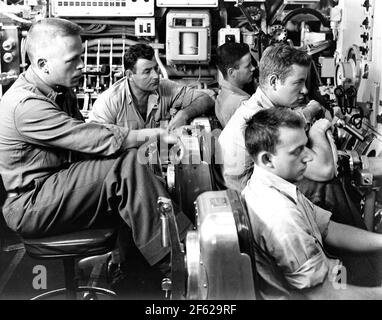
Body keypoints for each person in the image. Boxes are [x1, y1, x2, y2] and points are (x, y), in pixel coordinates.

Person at [0, 18, 192, 278]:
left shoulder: (59, 91)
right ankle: (183, 263)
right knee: (128, 165)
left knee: (129, 162)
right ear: (43, 65)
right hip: (31, 204)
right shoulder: (26, 104)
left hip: (55, 188)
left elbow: (91, 148)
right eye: (73, 60)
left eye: (81, 57)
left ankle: (139, 265)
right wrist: (152, 135)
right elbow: (89, 138)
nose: (82, 66)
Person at [243, 107, 382, 300]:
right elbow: (323, 296)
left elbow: (328, 229)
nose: (308, 157)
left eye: (306, 145)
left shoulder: (273, 186)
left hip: (332, 276)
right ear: (267, 159)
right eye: (297, 151)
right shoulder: (282, 216)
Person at [218, 43, 334, 192]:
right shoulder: (259, 120)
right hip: (252, 202)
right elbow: (325, 171)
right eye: (298, 82)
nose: (304, 90)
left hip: (245, 189)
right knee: (327, 187)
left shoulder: (255, 106)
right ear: (273, 82)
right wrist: (318, 130)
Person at [88, 43, 215, 131]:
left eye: (156, 68)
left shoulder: (165, 87)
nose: (155, 76)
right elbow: (97, 139)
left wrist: (184, 114)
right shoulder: (109, 101)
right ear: (129, 75)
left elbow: (206, 99)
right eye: (147, 71)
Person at [215, 42, 255, 127]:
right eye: (248, 66)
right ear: (232, 72)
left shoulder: (221, 95)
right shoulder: (242, 104)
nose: (253, 68)